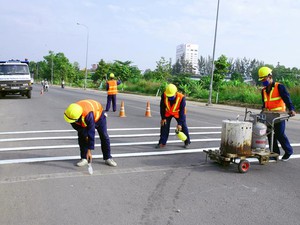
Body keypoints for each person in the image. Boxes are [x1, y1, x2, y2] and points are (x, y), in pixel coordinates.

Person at [64, 99, 117, 167]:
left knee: (104, 136)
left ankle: (108, 158)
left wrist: (89, 151)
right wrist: (84, 135)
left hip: (99, 115)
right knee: (82, 136)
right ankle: (84, 158)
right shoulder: (71, 113)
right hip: (84, 115)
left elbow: (91, 134)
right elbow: (78, 128)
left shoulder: (89, 116)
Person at [258, 66, 296, 161]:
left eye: (264, 78)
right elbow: (264, 103)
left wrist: (291, 109)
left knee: (279, 134)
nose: (263, 81)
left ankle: (288, 151)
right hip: (269, 116)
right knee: (270, 134)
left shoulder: (279, 87)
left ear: (270, 76)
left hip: (279, 116)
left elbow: (287, 99)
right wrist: (263, 110)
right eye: (261, 79)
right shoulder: (263, 90)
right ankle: (275, 153)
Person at [156, 83, 191, 149]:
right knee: (164, 126)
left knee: (183, 126)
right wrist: (163, 118)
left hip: (178, 113)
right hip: (168, 112)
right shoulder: (164, 95)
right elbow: (162, 107)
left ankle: (187, 141)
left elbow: (182, 111)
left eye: (171, 96)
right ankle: (162, 142)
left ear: (176, 93)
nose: (170, 98)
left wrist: (180, 123)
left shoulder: (181, 98)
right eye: (169, 96)